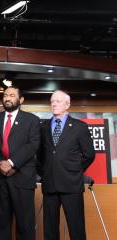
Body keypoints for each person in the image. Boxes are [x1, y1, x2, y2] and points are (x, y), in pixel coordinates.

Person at [38, 90, 95, 240]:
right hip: (50, 185)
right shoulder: (43, 126)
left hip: (71, 185)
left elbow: (89, 154)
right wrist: (44, 172)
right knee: (50, 231)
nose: (54, 103)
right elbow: (39, 155)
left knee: (76, 229)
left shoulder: (79, 127)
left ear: (67, 104)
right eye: (52, 101)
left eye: (58, 101)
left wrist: (75, 170)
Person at [0, 86, 40, 240]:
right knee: (1, 225)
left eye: (11, 95)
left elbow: (33, 145)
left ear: (21, 99)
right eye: (5, 95)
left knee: (25, 225)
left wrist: (12, 163)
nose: (7, 98)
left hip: (22, 178)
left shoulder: (32, 120)